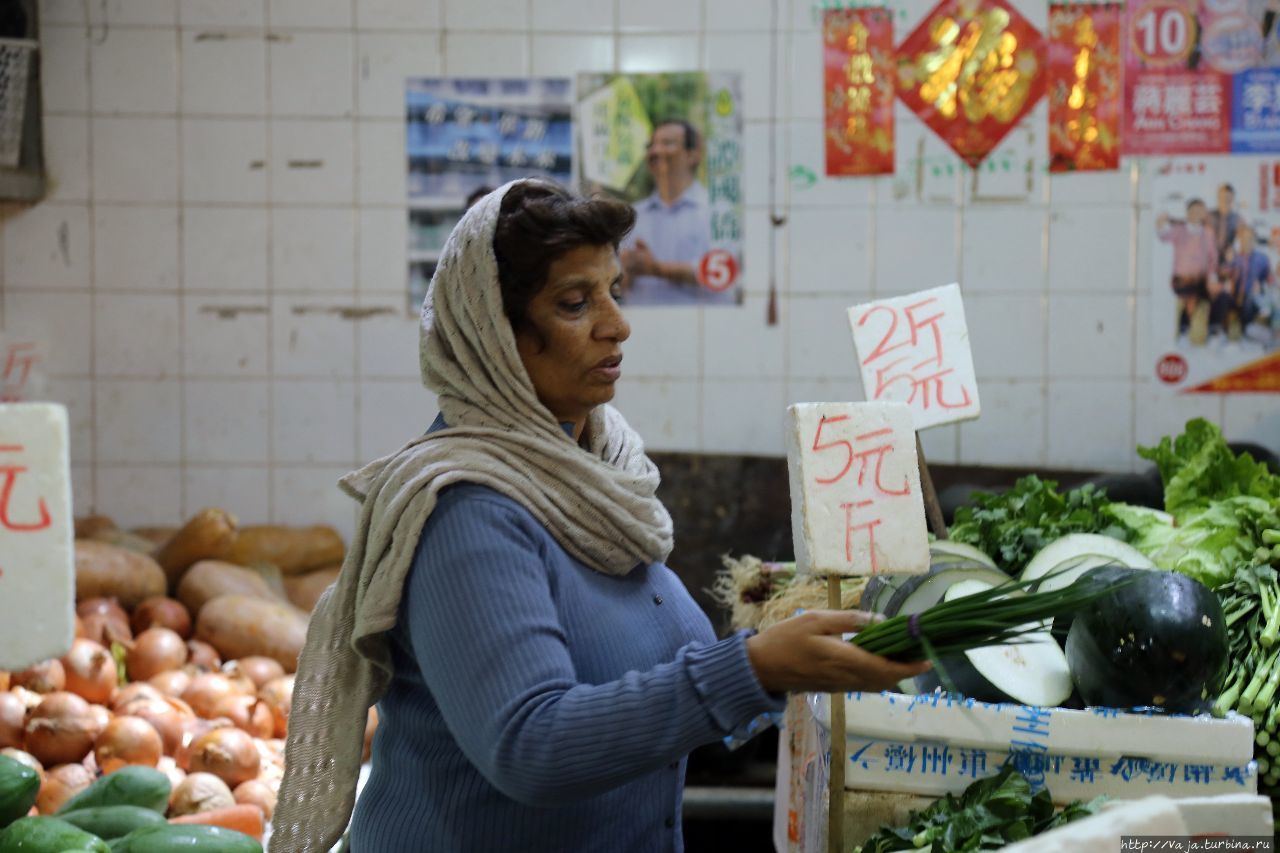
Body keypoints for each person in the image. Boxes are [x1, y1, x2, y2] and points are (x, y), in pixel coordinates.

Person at [269, 179, 928, 853]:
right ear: (493, 333)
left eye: (616, 289)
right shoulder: (467, 511)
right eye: (575, 302)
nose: (616, 323)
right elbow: (531, 744)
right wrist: (752, 668)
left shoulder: (599, 476)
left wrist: (792, 662)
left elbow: (649, 695)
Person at [620, 119, 730, 306]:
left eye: (667, 143)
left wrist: (656, 269)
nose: (655, 151)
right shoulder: (633, 216)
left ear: (693, 155)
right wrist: (625, 270)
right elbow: (618, 286)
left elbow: (724, 272)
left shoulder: (718, 212)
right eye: (651, 145)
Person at [1157, 198, 1220, 346]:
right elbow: (1164, 236)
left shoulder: (1208, 233)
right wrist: (1161, 223)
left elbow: (1213, 257)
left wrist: (1212, 275)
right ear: (1188, 212)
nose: (1197, 214)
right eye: (1193, 210)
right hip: (1181, 281)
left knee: (1202, 310)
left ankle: (1196, 334)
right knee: (1179, 309)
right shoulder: (1180, 230)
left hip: (1201, 282)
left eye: (1200, 210)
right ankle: (1180, 330)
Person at [1217, 225, 1272, 340]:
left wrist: (1262, 287)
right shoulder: (1234, 257)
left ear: (1254, 240)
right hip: (1234, 298)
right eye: (1244, 238)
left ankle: (1247, 328)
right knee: (1223, 297)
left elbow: (1269, 280)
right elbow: (1222, 275)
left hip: (1252, 300)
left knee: (1250, 298)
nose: (1247, 242)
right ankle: (1224, 328)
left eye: (1250, 238)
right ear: (1239, 240)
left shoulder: (1262, 259)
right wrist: (1227, 264)